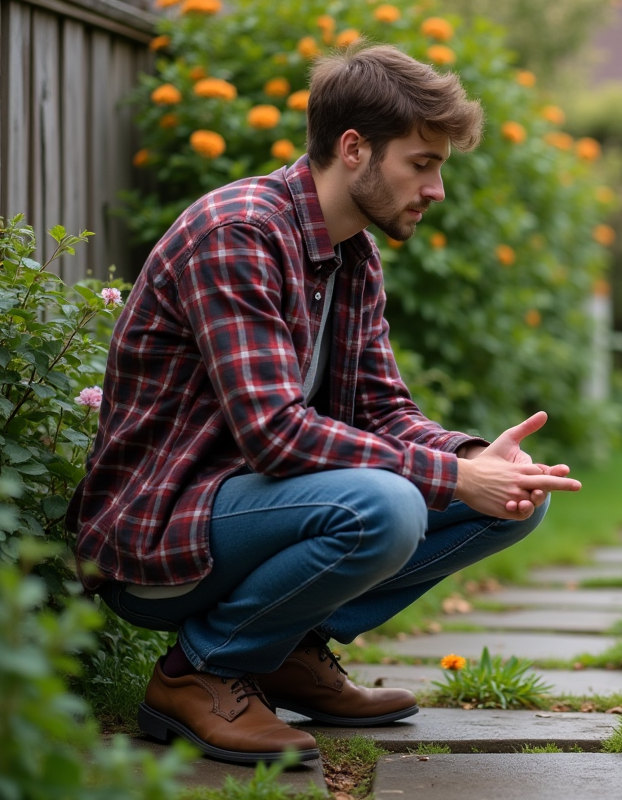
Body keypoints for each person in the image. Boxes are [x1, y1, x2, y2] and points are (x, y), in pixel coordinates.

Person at [66, 44, 581, 765]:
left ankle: (281, 650)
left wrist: (472, 459)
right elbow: (276, 436)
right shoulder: (240, 234)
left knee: (516, 498)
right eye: (422, 164)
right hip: (160, 535)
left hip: (252, 515)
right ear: (353, 149)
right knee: (388, 506)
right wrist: (451, 477)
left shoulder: (352, 254)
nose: (436, 190)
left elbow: (381, 407)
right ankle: (199, 673)